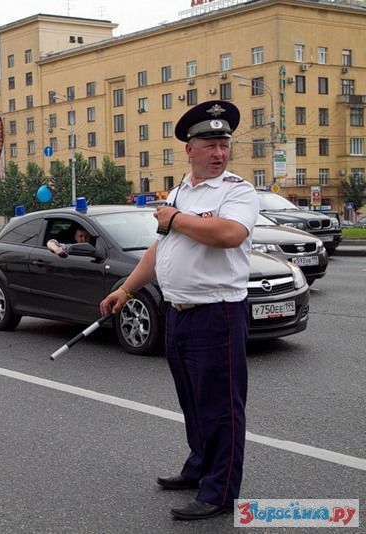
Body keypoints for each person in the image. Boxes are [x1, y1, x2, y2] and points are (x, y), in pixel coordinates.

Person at [100, 100, 258, 521]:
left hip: (218, 313)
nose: (219, 152)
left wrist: (175, 219)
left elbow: (229, 234)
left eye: (224, 144)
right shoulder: (179, 193)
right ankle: (199, 468)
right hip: (179, 313)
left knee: (221, 407)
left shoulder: (236, 190)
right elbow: (159, 246)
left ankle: (221, 492)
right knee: (191, 400)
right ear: (189, 149)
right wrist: (127, 288)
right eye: (210, 144)